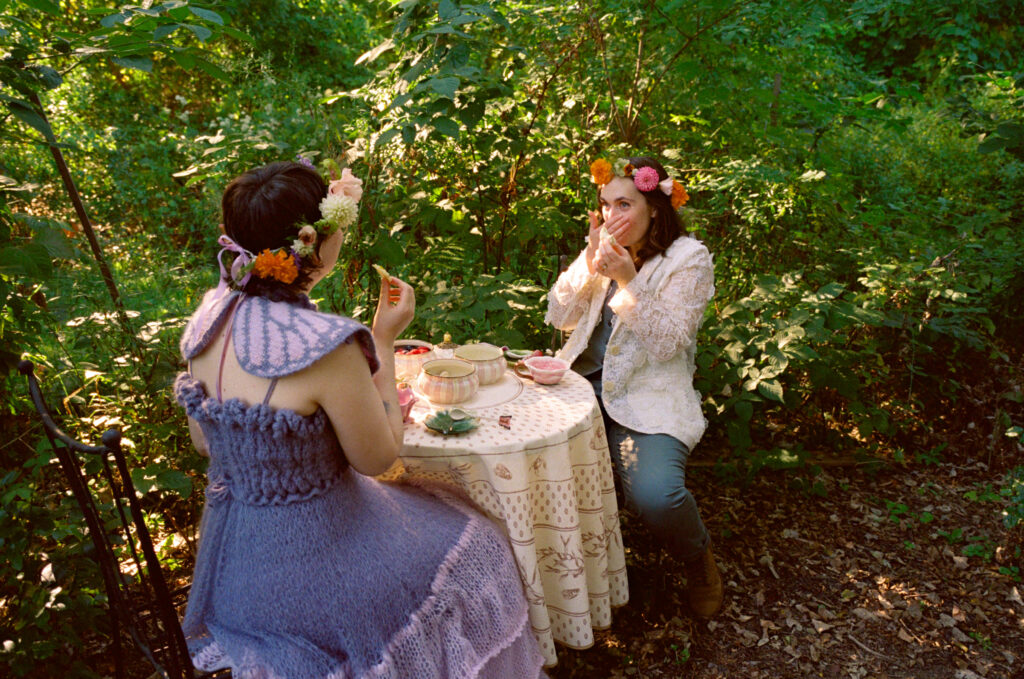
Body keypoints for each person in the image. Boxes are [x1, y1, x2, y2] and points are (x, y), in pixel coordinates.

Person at [174, 160, 546, 678]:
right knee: (479, 543)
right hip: (323, 571)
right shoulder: (325, 346)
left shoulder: (207, 321)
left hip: (235, 569)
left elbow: (204, 443)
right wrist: (384, 339)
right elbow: (377, 459)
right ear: (316, 242)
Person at [544, 156, 722, 617]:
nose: (611, 216)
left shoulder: (688, 258)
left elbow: (668, 343)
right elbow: (559, 317)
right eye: (606, 205)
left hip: (649, 396)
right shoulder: (603, 248)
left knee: (657, 498)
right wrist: (588, 262)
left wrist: (627, 278)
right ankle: (560, 573)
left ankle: (698, 558)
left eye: (624, 204)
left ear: (654, 210)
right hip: (579, 388)